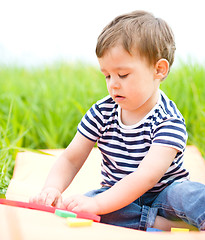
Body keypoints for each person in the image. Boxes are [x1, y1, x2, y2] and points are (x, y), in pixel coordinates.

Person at [30, 10, 205, 231]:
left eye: (122, 75)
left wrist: (99, 204)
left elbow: (146, 177)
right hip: (117, 196)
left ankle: (171, 218)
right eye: (107, 75)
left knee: (189, 194)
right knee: (78, 205)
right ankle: (157, 223)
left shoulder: (168, 119)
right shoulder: (102, 112)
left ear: (159, 70)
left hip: (165, 195)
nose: (113, 84)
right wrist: (53, 188)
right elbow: (71, 159)